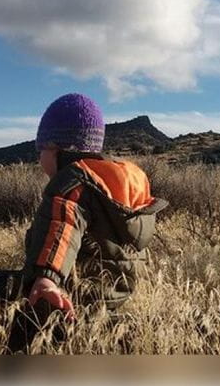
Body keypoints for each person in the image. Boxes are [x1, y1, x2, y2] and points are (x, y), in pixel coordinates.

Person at [23, 93, 168, 317]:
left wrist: (46, 278)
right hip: (115, 291)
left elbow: (62, 227)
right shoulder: (118, 183)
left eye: (40, 150)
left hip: (71, 293)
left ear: (55, 149)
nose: (39, 158)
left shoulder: (72, 182)